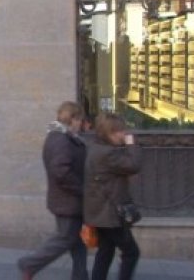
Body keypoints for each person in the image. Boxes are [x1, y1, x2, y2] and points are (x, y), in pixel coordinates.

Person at [17, 101, 89, 280]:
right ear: (72, 119)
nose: (81, 124)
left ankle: (81, 276)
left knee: (78, 243)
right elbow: (60, 171)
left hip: (67, 199)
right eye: (79, 120)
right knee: (65, 239)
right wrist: (82, 188)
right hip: (67, 201)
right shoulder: (61, 140)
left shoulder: (62, 137)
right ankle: (30, 263)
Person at [82, 112, 141, 280]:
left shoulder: (95, 148)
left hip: (100, 212)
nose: (124, 134)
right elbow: (134, 165)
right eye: (120, 131)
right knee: (131, 252)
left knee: (106, 250)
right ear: (110, 133)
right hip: (109, 214)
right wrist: (131, 144)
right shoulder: (107, 153)